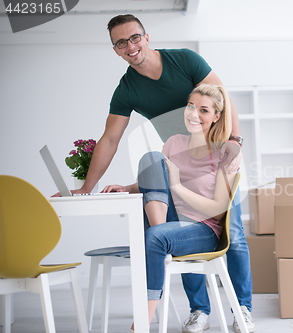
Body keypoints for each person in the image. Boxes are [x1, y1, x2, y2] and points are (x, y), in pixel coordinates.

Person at [76, 14, 255, 333]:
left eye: (134, 38)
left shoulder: (184, 60)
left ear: (146, 36)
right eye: (121, 42)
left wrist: (234, 142)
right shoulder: (128, 89)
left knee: (235, 233)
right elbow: (110, 139)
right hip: (180, 161)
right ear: (115, 50)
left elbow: (221, 97)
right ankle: (199, 309)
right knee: (176, 225)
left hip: (216, 155)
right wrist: (88, 187)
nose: (130, 46)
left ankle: (242, 309)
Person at [103, 84, 237, 332]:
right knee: (151, 158)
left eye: (203, 110)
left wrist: (177, 187)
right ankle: (161, 235)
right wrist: (127, 187)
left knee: (153, 238)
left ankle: (143, 319)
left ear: (216, 116)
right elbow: (158, 181)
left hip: (203, 229)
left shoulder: (224, 153)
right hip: (171, 220)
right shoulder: (174, 142)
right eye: (190, 106)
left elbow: (218, 210)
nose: (193, 114)